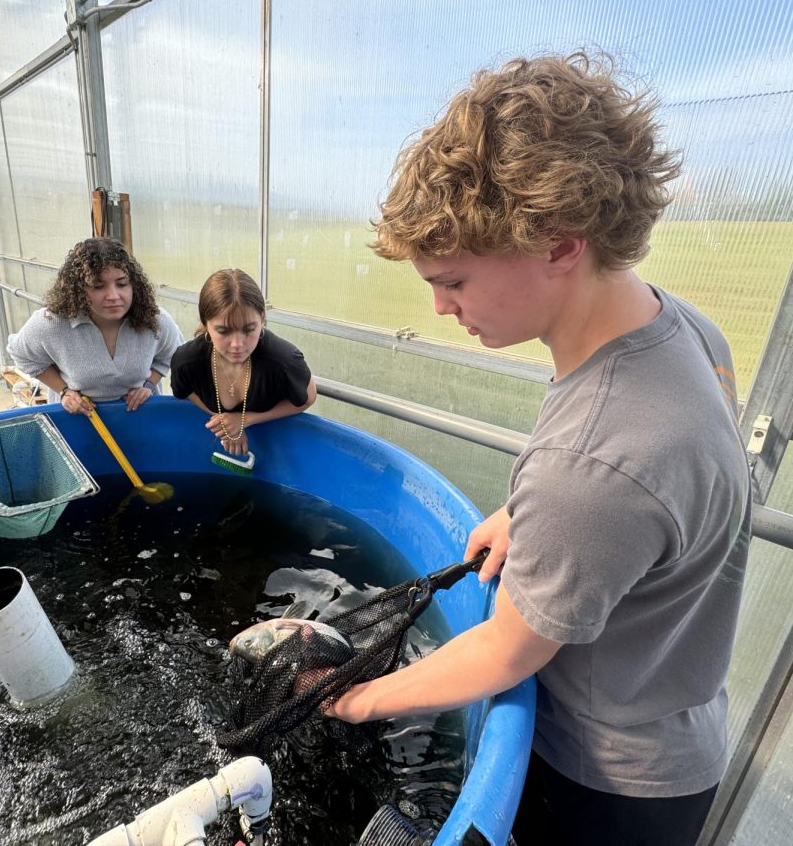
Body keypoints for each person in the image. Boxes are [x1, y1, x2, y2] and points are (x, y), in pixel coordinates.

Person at [327, 54, 752, 846]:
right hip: (682, 721)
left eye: (453, 280)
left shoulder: (588, 471)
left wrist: (353, 698)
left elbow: (502, 653)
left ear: (559, 242)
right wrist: (530, 518)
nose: (440, 306)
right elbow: (651, 494)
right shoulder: (683, 327)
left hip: (603, 784)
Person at [7, 238, 183, 415]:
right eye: (98, 286)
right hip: (78, 422)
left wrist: (149, 385)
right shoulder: (51, 323)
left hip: (141, 420)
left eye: (122, 284)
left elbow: (173, 354)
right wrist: (64, 391)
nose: (113, 296)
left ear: (134, 285)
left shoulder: (155, 320)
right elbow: (21, 355)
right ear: (78, 289)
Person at [170, 269, 316, 457]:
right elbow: (184, 390)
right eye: (223, 331)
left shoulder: (283, 361)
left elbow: (307, 398)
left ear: (262, 319)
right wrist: (223, 421)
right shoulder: (187, 361)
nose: (237, 344)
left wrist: (244, 420)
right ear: (206, 323)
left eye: (249, 329)